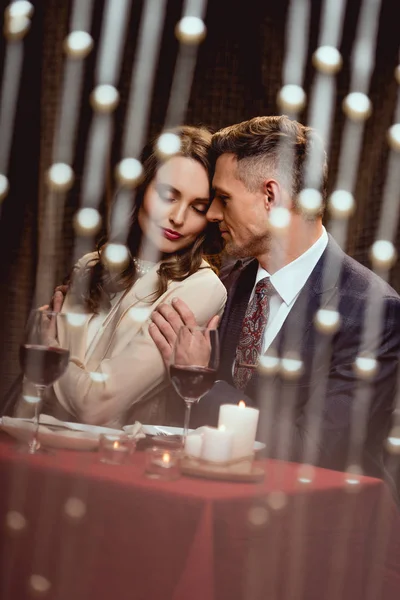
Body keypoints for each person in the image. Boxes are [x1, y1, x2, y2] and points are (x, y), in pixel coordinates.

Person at [149, 115, 400, 479]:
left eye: (223, 198)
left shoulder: (374, 312)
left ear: (271, 196)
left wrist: (202, 385)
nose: (213, 214)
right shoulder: (228, 283)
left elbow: (316, 451)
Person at [22, 126, 227, 427]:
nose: (178, 218)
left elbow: (96, 407)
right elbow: (33, 396)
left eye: (198, 207)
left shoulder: (201, 288)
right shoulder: (91, 266)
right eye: (168, 196)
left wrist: (49, 350)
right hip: (37, 447)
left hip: (117, 461)